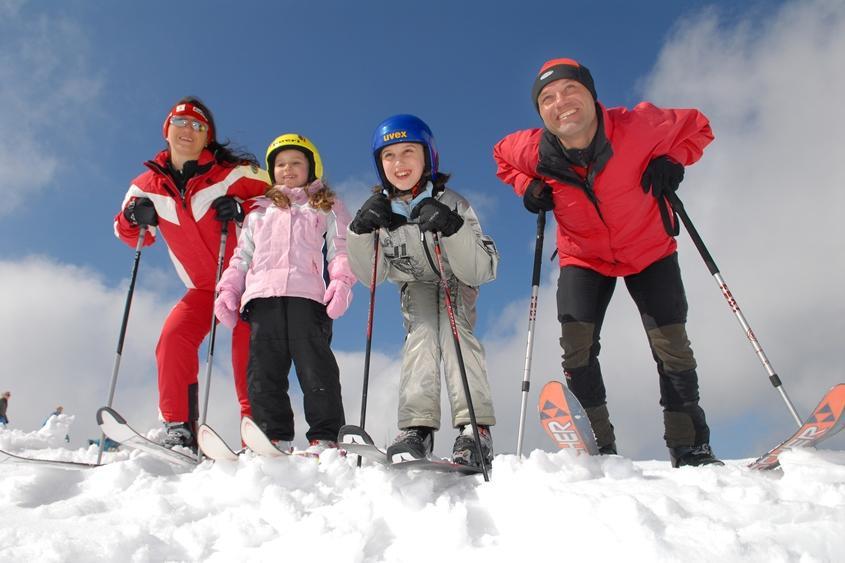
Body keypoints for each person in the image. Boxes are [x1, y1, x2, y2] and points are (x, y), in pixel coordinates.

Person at [494, 58, 723, 467]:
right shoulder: (533, 149)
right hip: (584, 256)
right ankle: (600, 447)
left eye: (570, 90)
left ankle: (689, 446)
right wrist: (526, 185)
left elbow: (698, 127)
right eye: (547, 98)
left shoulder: (639, 127)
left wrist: (674, 160)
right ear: (541, 113)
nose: (560, 102)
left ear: (592, 95)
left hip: (649, 249)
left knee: (672, 348)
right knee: (576, 349)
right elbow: (502, 158)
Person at [114, 97, 270, 450]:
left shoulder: (236, 173)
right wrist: (133, 217)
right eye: (182, 123)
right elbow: (127, 233)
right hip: (203, 287)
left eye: (199, 127)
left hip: (249, 279)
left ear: (208, 138)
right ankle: (179, 428)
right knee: (173, 338)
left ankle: (257, 428)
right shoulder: (146, 186)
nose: (189, 130)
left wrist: (244, 207)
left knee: (247, 344)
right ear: (167, 129)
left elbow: (284, 197)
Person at [347, 114, 499, 468]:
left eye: (408, 152)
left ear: (428, 157)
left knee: (453, 330)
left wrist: (451, 226)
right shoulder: (381, 213)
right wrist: (359, 232)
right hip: (414, 285)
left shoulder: (454, 202)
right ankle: (417, 428)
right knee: (423, 334)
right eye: (389, 156)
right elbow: (372, 276)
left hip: (455, 280)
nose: (399, 163)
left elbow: (483, 268)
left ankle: (474, 429)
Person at [215, 133, 353, 455]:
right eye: (280, 164)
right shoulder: (258, 213)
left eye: (295, 163)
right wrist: (229, 290)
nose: (287, 169)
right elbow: (241, 258)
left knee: (316, 371)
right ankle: (272, 437)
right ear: (271, 170)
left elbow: (341, 248)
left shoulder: (326, 207)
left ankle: (326, 437)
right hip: (263, 301)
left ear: (311, 168)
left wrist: (342, 281)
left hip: (307, 300)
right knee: (263, 374)